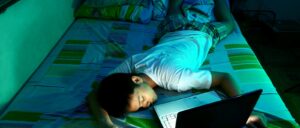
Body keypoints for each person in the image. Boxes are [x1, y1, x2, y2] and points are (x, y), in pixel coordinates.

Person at [87, 0, 266, 127]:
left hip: (200, 33)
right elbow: (97, 92)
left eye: (141, 100)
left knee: (228, 23)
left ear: (136, 81)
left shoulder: (176, 79)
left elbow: (224, 77)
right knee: (173, 10)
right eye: (140, 107)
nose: (146, 105)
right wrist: (106, 123)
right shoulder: (134, 62)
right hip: (170, 31)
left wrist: (243, 108)